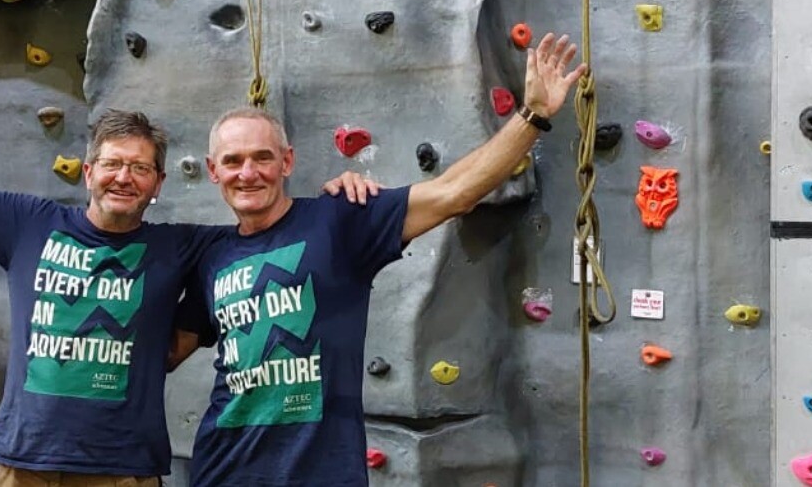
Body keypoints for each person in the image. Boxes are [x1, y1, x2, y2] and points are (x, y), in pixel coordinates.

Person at [0, 20, 379, 487]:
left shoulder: (185, 245)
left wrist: (340, 196)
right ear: (89, 171)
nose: (125, 177)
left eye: (140, 168)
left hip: (123, 471)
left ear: (158, 183)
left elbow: (269, 227)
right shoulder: (29, 224)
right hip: (22, 467)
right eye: (113, 164)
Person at [170, 33, 588, 486]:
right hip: (222, 473)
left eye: (262, 158)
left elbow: (455, 192)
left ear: (287, 162)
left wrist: (532, 116)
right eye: (232, 161)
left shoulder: (341, 222)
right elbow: (166, 352)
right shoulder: (212, 257)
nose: (247, 173)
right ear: (213, 171)